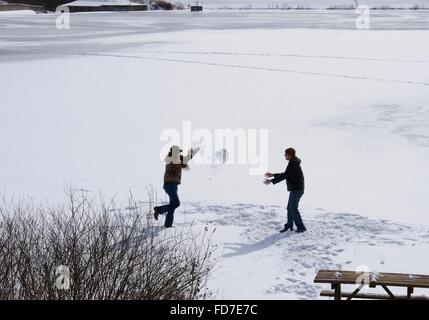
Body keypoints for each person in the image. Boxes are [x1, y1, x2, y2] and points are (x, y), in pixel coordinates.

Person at [154, 145, 200, 228]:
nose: (179, 153)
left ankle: (168, 224)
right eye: (178, 152)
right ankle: (159, 209)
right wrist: (189, 155)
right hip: (169, 185)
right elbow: (182, 161)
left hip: (173, 185)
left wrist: (192, 153)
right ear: (174, 152)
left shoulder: (177, 159)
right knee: (176, 203)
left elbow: (185, 160)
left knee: (172, 206)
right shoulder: (171, 159)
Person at [264, 147, 306, 233]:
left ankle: (301, 227)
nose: (284, 155)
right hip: (295, 189)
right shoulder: (293, 163)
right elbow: (286, 174)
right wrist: (273, 175)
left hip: (297, 189)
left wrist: (272, 181)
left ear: (289, 155)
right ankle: (289, 226)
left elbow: (285, 175)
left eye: (285, 154)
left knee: (293, 208)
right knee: (290, 208)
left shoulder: (293, 164)